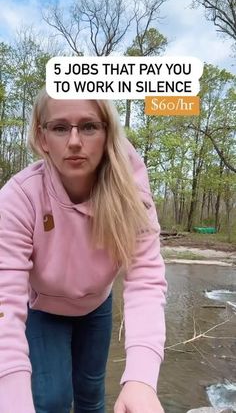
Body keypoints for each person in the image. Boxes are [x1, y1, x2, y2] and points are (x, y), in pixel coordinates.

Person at [0, 87, 167, 413]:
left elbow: (145, 278)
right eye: (60, 127)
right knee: (52, 400)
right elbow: (4, 303)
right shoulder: (18, 198)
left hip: (97, 305)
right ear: (42, 136)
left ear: (107, 133)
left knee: (91, 394)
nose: (74, 141)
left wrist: (142, 379)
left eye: (89, 126)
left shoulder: (131, 194)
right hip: (43, 309)